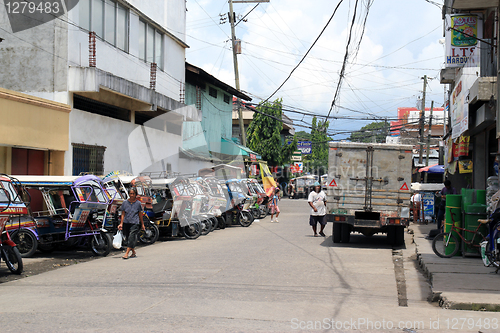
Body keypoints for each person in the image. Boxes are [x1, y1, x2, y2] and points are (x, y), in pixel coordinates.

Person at [118, 188, 145, 259]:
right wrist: (121, 223)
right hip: (126, 222)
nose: (132, 195)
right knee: (128, 238)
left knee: (131, 237)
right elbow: (123, 214)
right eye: (130, 193)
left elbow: (140, 214)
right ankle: (133, 252)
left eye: (133, 194)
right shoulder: (125, 203)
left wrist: (142, 224)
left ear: (135, 194)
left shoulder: (138, 203)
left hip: (135, 223)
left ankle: (126, 253)